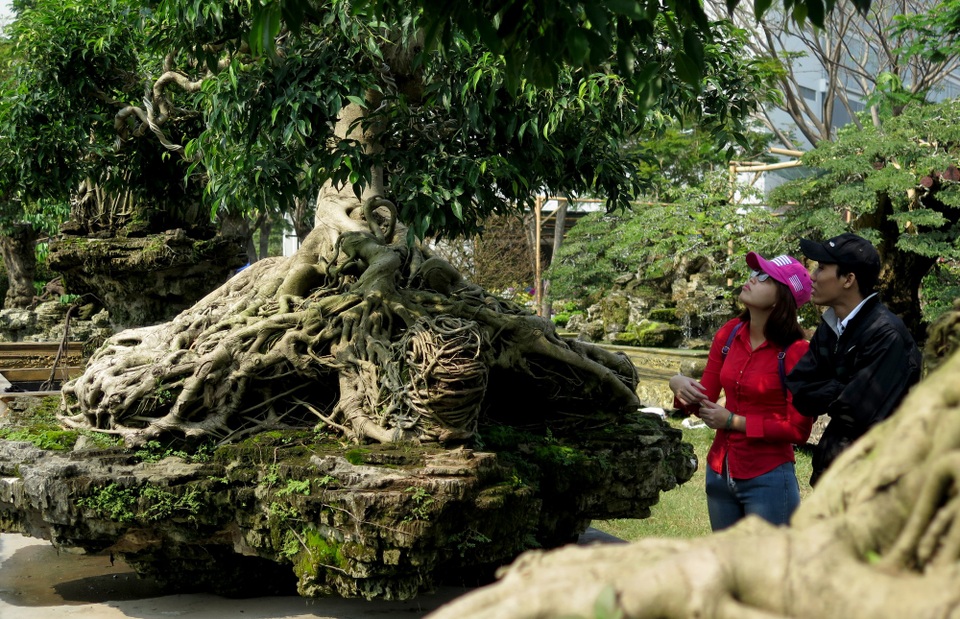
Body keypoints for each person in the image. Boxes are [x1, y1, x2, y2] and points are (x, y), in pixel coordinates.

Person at [669, 252, 813, 531]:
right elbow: (703, 401)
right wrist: (677, 383)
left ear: (780, 297)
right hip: (719, 473)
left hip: (768, 478)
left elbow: (798, 431)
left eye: (764, 277)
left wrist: (734, 422)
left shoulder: (797, 352)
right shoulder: (730, 333)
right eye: (754, 273)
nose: (752, 279)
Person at [786, 233, 921, 486]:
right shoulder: (831, 325)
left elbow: (857, 411)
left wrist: (835, 391)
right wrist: (844, 385)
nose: (812, 276)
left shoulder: (886, 334)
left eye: (822, 267)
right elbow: (800, 392)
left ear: (848, 279)